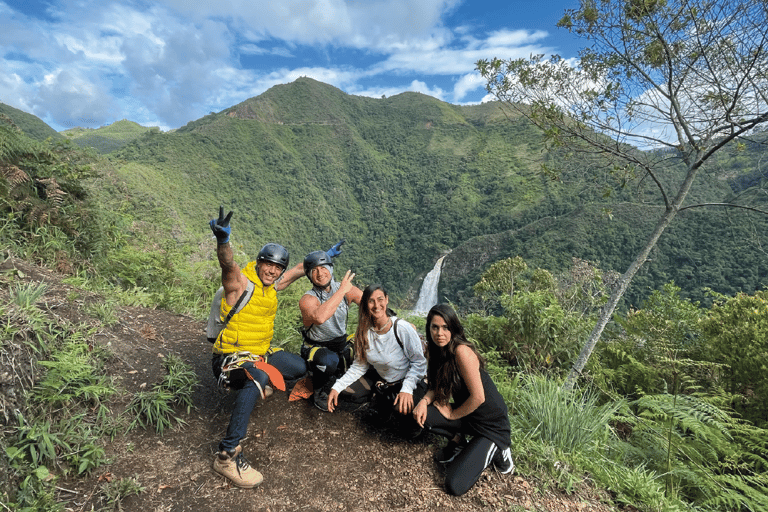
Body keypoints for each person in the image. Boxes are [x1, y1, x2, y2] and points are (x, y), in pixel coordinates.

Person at [207, 206, 341, 488]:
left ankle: (259, 385)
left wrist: (323, 260)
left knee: (300, 367)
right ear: (258, 262)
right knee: (260, 375)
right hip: (229, 360)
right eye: (268, 264)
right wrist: (223, 242)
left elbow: (297, 271)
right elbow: (227, 265)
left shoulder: (270, 286)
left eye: (277, 267)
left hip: (259, 354)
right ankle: (227, 455)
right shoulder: (240, 284)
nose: (273, 270)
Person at [412, 303, 514, 496]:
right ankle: (458, 441)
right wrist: (424, 402)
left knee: (454, 485)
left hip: (490, 426)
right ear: (429, 328)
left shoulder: (462, 352)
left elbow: (478, 397)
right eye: (435, 327)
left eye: (445, 327)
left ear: (453, 328)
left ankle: (501, 452)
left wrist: (452, 414)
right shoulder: (435, 351)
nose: (439, 333)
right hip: (466, 416)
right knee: (420, 410)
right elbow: (435, 386)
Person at [327, 284, 427, 434]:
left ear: (386, 300)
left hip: (409, 380)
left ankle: (407, 403)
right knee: (347, 392)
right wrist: (337, 387)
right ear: (365, 304)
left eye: (380, 299)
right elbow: (359, 366)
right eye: (371, 301)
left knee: (409, 426)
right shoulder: (364, 332)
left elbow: (419, 363)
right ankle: (382, 397)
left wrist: (407, 389)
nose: (376, 305)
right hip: (384, 379)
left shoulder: (402, 328)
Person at [298, 248, 363, 411]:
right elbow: (320, 317)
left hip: (339, 344)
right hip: (316, 347)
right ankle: (318, 390)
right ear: (308, 276)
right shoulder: (307, 299)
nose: (320, 274)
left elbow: (370, 304)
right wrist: (342, 290)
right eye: (314, 271)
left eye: (323, 268)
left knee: (367, 342)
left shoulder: (347, 290)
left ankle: (341, 377)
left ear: (331, 269)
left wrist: (394, 320)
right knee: (329, 361)